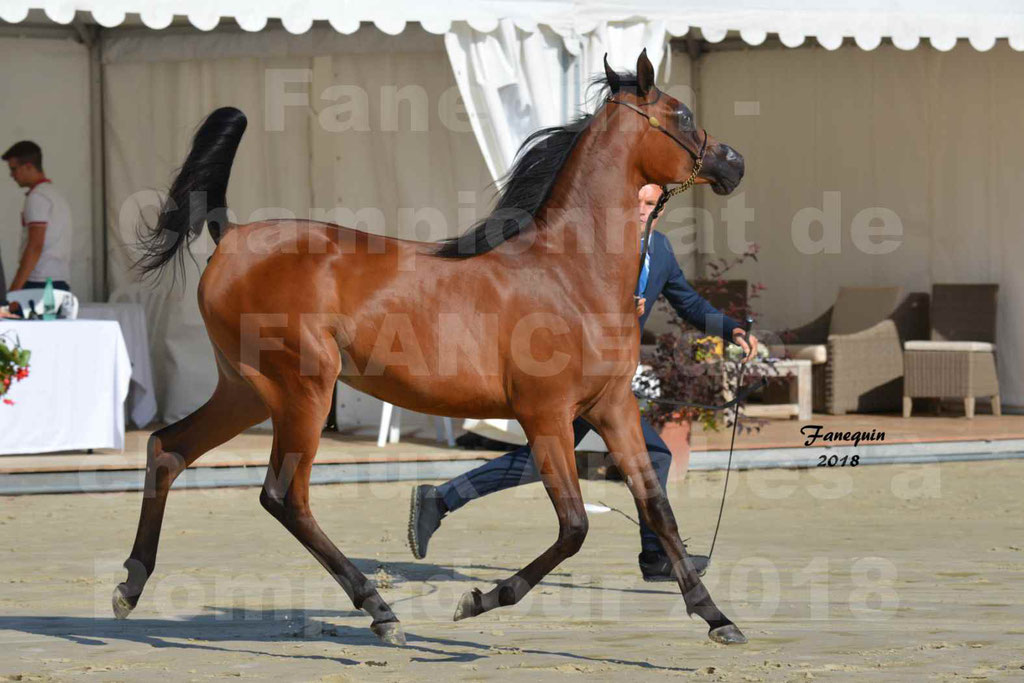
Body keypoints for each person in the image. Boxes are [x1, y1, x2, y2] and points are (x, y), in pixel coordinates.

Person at [408, 184, 760, 581]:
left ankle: (440, 500)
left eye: (651, 204)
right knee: (635, 456)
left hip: (603, 386)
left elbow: (689, 303)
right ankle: (657, 556)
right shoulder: (594, 248)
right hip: (569, 375)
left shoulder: (659, 250)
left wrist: (732, 330)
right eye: (636, 202)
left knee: (555, 460)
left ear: (661, 208)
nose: (643, 211)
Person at [3, 141, 72, 292]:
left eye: (14, 169)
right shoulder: (55, 195)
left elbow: (35, 246)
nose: (12, 175)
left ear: (28, 166)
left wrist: (15, 291)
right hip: (59, 280)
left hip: (39, 282)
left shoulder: (37, 197)